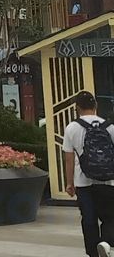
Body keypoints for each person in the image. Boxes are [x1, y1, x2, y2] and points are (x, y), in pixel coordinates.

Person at [63, 91, 114, 257]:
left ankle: (93, 253)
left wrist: (69, 183)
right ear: (95, 105)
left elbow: (69, 159)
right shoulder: (110, 127)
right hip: (107, 181)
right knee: (110, 217)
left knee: (89, 219)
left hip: (83, 183)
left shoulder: (71, 128)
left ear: (77, 108)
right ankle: (106, 243)